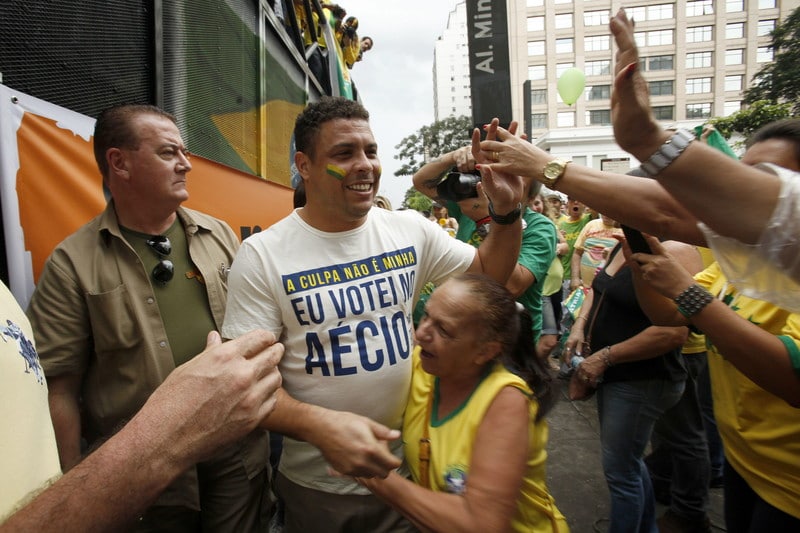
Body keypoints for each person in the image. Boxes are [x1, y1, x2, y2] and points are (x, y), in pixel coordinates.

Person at [221, 97, 525, 532]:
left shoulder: (410, 230)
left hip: (414, 472)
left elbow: (489, 281)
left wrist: (508, 214)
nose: (365, 165)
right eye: (344, 154)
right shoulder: (263, 255)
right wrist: (319, 425)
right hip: (319, 489)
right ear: (304, 166)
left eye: (371, 151)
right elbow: (244, 385)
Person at [26, 104, 271, 531]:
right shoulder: (73, 263)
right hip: (145, 475)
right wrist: (71, 490)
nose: (186, 164)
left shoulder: (220, 236)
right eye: (168, 153)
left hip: (235, 462)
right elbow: (57, 386)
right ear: (119, 163)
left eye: (184, 151)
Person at [1, 278, 283, 531]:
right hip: (138, 494)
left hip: (235, 470)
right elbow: (60, 389)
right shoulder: (71, 260)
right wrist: (169, 431)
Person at [349, 273, 568, 532]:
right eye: (426, 316)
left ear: (485, 351)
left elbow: (481, 523)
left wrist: (373, 475)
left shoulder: (506, 402)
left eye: (443, 329)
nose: (421, 333)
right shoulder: (422, 365)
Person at [622, 235, 800, 532]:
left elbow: (792, 382)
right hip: (746, 458)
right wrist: (641, 269)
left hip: (790, 480)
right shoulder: (739, 260)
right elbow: (669, 313)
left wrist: (685, 290)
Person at [564, 238, 699, 532]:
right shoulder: (621, 245)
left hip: (643, 379)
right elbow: (598, 290)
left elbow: (673, 332)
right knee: (629, 464)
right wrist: (579, 325)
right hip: (617, 377)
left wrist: (606, 357)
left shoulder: (678, 252)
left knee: (621, 473)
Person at [412, 145, 557, 344]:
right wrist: (453, 157)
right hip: (465, 334)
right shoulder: (470, 207)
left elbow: (512, 286)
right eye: (498, 172)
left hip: (509, 341)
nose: (502, 182)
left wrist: (485, 220)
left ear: (531, 197)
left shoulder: (540, 228)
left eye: (515, 177)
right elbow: (421, 182)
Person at [531, 193, 568, 366]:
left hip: (556, 287)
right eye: (530, 203)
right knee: (549, 337)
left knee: (553, 332)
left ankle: (543, 362)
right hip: (542, 289)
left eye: (537, 203)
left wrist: (558, 247)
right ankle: (530, 368)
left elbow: (566, 246)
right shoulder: (524, 227)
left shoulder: (548, 225)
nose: (534, 207)